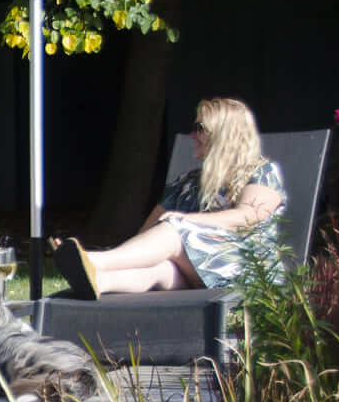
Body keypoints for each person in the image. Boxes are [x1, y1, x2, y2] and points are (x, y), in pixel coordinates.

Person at [53, 97, 287, 300]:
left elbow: (248, 216)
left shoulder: (261, 172)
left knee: (175, 228)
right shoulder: (186, 184)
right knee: (160, 270)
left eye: (200, 128)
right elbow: (147, 234)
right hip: (197, 273)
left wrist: (186, 220)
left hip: (247, 273)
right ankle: (97, 280)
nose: (192, 135)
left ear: (224, 134)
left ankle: (93, 261)